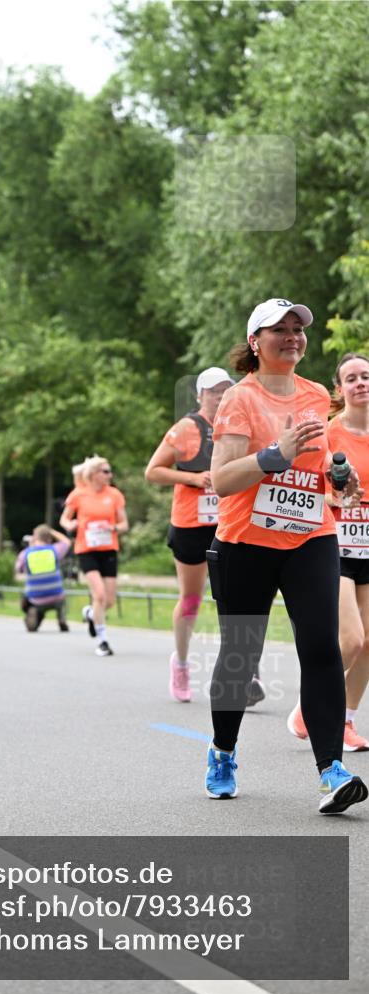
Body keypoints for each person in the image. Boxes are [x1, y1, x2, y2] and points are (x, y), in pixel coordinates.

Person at [204, 297, 367, 814]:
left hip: (310, 537)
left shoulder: (318, 394)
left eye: (299, 329)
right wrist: (276, 455)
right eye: (280, 329)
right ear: (256, 342)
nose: (293, 336)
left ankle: (331, 771)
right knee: (240, 655)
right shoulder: (239, 400)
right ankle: (223, 751)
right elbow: (222, 479)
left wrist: (341, 482)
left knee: (321, 649)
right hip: (245, 541)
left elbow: (319, 472)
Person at [287, 352, 369, 751]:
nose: (360, 383)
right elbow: (309, 486)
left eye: (366, 376)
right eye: (351, 378)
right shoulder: (330, 434)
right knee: (351, 639)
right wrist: (339, 501)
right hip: (334, 542)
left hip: (368, 546)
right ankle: (311, 704)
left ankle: (345, 720)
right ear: (339, 389)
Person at [145, 367, 235, 703]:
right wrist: (194, 479)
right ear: (200, 396)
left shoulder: (239, 424)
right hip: (190, 523)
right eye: (214, 391)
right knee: (192, 600)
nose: (221, 395)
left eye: (226, 389)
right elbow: (152, 471)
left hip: (229, 521)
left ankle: (245, 669)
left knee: (235, 598)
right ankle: (181, 662)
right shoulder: (186, 428)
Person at [60, 455, 128, 656]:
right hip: (86, 550)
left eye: (109, 471)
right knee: (98, 595)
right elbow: (64, 519)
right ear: (94, 474)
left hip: (108, 549)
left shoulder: (114, 495)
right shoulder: (78, 495)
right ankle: (103, 641)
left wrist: (113, 527)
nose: (110, 475)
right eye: (105, 471)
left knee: (109, 600)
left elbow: (125, 524)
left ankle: (90, 613)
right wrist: (70, 525)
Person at [15, 524, 70, 632]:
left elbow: (18, 569)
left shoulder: (26, 554)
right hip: (56, 596)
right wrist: (52, 531)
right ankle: (61, 617)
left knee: (25, 597)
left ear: (35, 538)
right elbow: (67, 542)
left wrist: (31, 546)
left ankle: (34, 613)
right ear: (49, 538)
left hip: (36, 599)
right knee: (62, 598)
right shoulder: (54, 550)